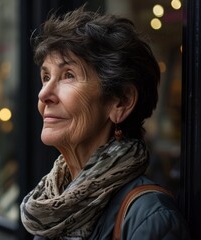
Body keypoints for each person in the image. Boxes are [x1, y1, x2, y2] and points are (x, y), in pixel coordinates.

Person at [19, 6, 190, 240]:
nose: (43, 94)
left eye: (68, 75)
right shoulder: (54, 204)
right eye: (46, 77)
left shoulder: (150, 218)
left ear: (121, 101)